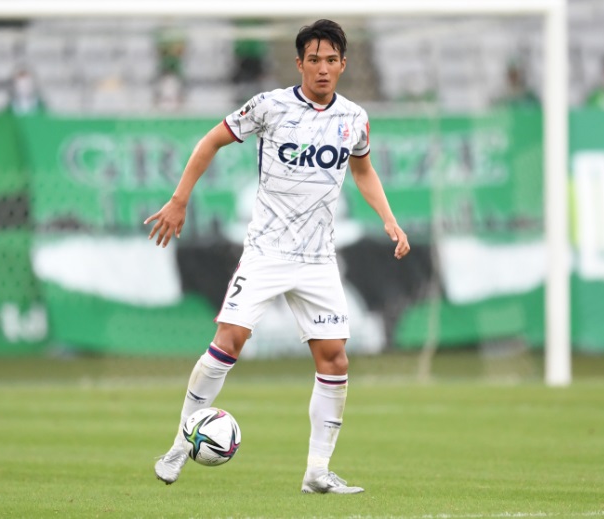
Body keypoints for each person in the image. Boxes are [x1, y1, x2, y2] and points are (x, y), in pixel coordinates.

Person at [145, 19, 410, 494]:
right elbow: (211, 140)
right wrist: (180, 199)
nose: (323, 68)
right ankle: (180, 446)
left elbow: (363, 170)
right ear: (299, 63)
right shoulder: (269, 106)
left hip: (318, 259)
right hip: (267, 251)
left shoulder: (354, 118)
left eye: (332, 60)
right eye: (315, 60)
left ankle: (317, 471)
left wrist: (388, 218)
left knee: (335, 360)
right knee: (229, 340)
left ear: (344, 64)